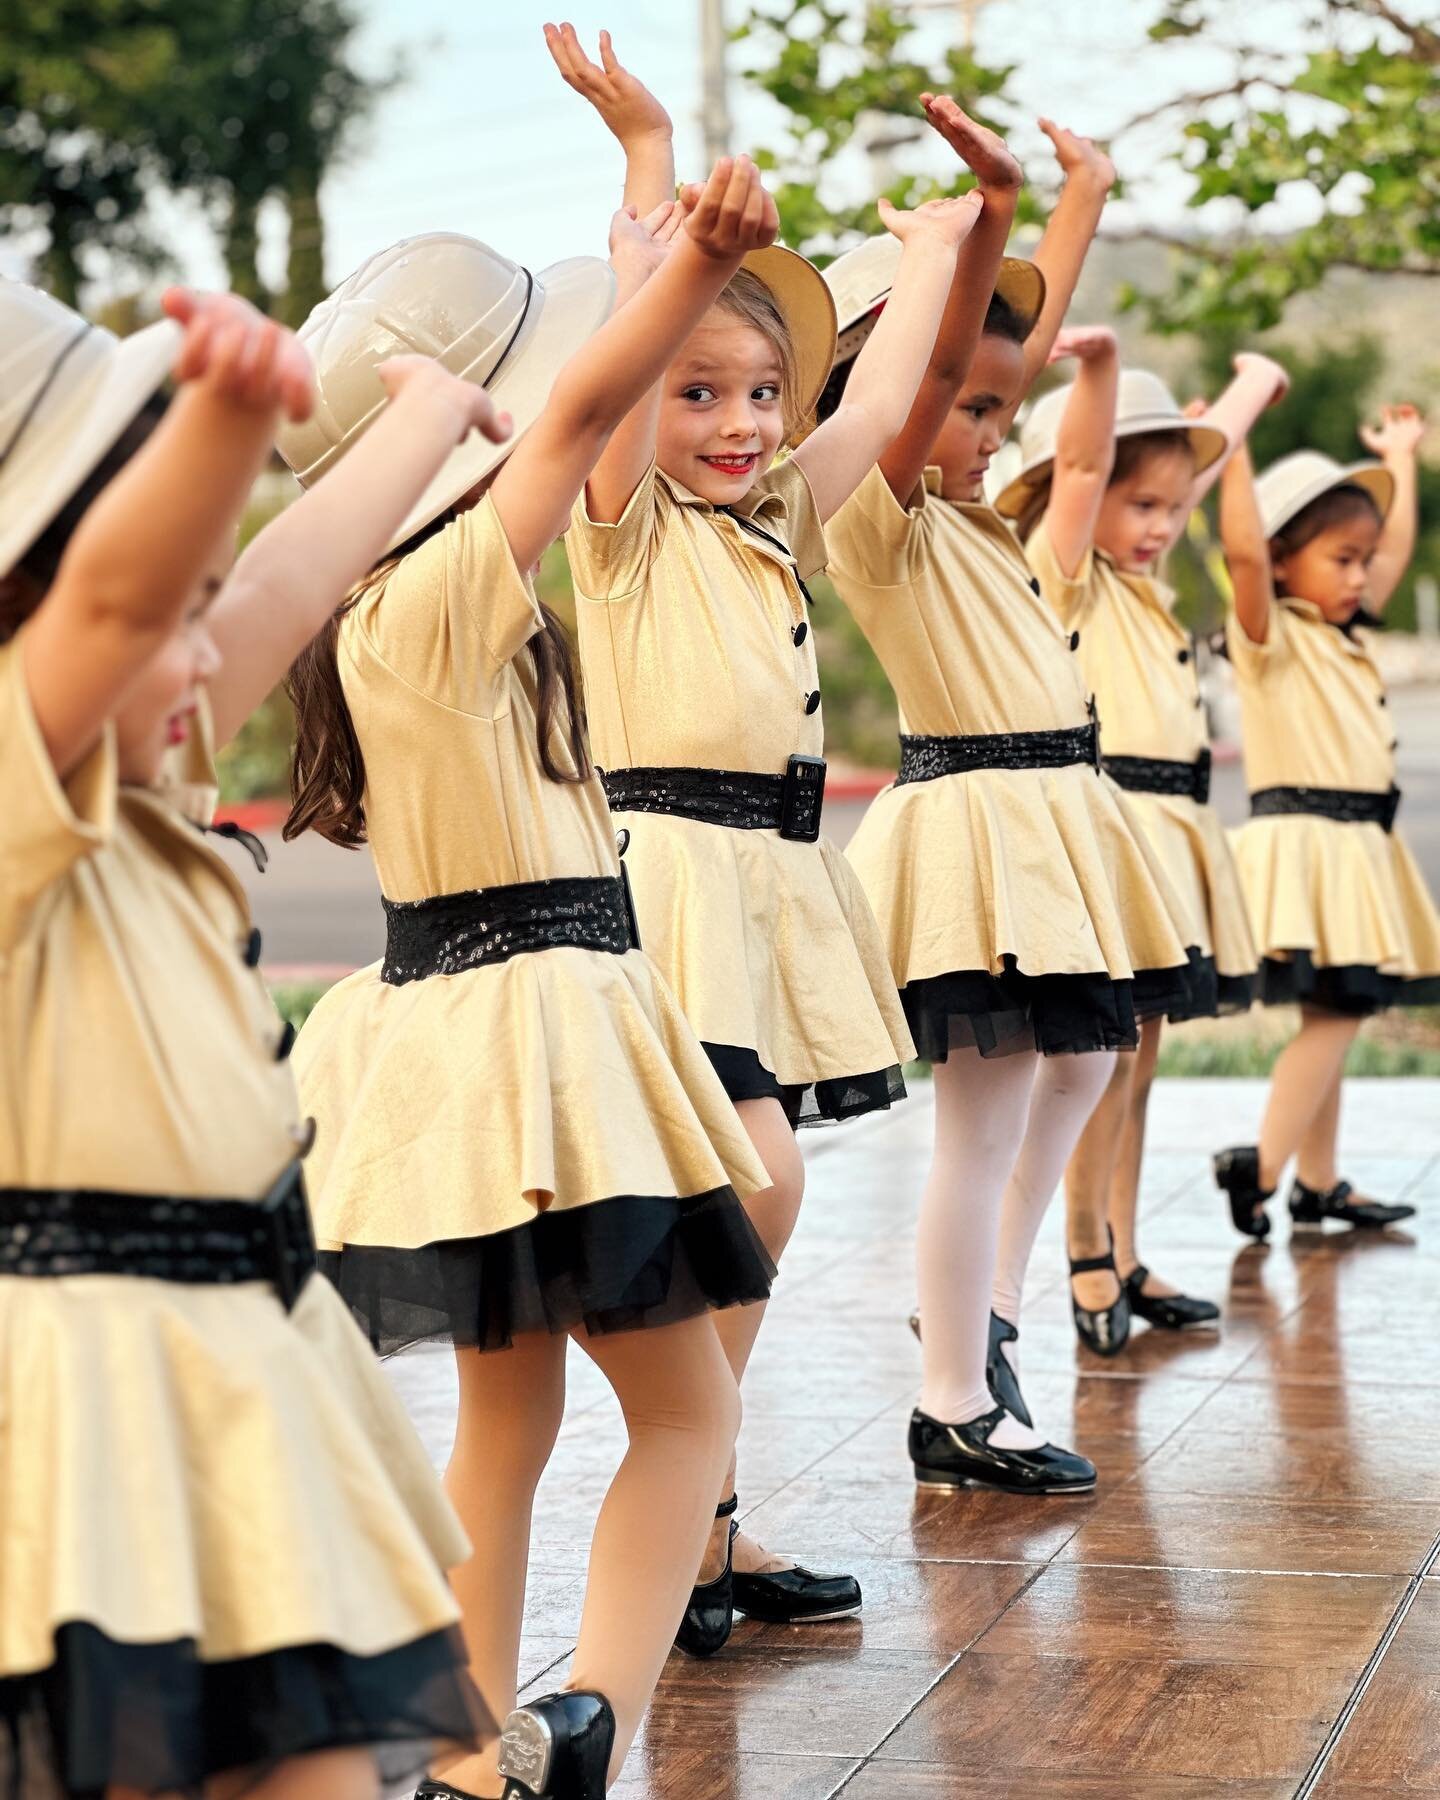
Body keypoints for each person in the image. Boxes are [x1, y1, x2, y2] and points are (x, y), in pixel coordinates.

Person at [280, 162, 786, 1800]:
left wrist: (648, 262)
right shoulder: (431, 599)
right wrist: (681, 270)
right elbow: (572, 432)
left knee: (508, 1430)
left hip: (466, 1038)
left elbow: (577, 443)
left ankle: (471, 1747)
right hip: (543, 1027)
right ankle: (582, 1727)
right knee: (688, 1416)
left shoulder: (375, 611)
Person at [0, 279, 506, 1799]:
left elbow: (282, 574)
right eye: (181, 608)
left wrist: (418, 418)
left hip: (242, 1358)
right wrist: (224, 415)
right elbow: (115, 609)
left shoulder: (139, 789)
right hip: (87, 1389)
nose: (212, 648)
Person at [550, 24, 980, 1651]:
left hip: (770, 885)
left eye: (758, 396)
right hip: (667, 877)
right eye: (699, 393)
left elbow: (874, 411)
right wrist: (650, 177)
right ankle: (689, 1500)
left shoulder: (775, 520)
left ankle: (706, 1519)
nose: (737, 425)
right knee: (763, 1173)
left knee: (763, 1194)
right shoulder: (624, 534)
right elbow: (608, 376)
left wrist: (937, 249)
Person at [822, 99, 1200, 1494]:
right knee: (981, 1120)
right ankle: (950, 1397)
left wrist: (1076, 196)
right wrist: (983, 213)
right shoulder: (882, 506)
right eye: (967, 408)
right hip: (980, 821)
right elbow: (925, 386)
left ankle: (984, 1317)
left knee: (1085, 1063)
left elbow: (1007, 362)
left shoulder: (976, 521)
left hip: (1049, 813)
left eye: (998, 411)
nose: (990, 427)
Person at [997, 343, 1288, 1350]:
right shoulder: (1066, 574)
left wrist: (1246, 394)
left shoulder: (1143, 585)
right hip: (1114, 832)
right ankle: (1083, 1251)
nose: (1163, 526)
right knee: (1101, 1059)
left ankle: (1118, 1244)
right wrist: (1103, 388)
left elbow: (1183, 477)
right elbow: (1083, 478)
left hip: (1168, 839)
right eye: (1143, 508)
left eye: (1173, 510)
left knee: (1142, 1062)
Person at [1213, 414, 1440, 1237]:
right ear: (1280, 559)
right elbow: (1239, 549)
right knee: (1343, 1010)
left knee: (1333, 1014)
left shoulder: (1343, 634)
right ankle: (1263, 1167)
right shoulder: (1268, 635)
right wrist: (1233, 445)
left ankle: (1319, 1180)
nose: (1360, 577)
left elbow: (1395, 550)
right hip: (1311, 846)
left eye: (1361, 562)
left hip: (1353, 850)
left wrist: (1400, 464)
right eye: (1340, 560)